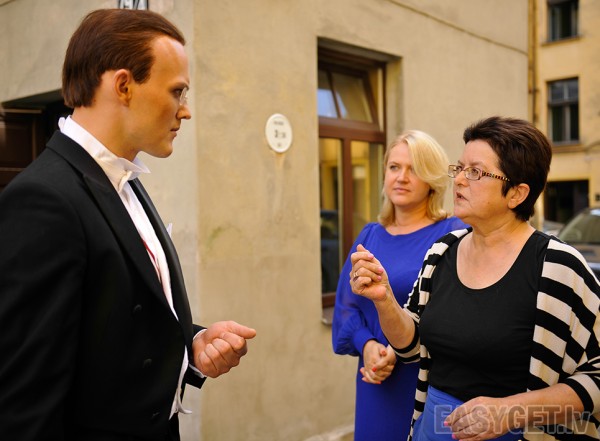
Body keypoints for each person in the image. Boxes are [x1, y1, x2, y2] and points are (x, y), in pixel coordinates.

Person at [0, 9, 256, 441]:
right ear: (123, 85)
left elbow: (109, 327)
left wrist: (190, 346)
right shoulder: (42, 200)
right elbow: (25, 403)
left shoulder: (124, 180)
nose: (185, 111)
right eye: (177, 91)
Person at [350, 116, 600, 441]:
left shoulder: (558, 266)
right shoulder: (442, 252)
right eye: (460, 168)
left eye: (476, 172)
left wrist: (513, 411)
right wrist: (384, 299)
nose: (459, 180)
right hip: (431, 429)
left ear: (517, 194)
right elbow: (411, 347)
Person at [332, 130, 468, 441]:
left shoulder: (453, 234)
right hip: (375, 379)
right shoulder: (370, 235)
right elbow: (346, 306)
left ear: (432, 179)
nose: (401, 177)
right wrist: (367, 345)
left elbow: (456, 312)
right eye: (394, 167)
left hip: (424, 380)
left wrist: (400, 348)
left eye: (414, 169)